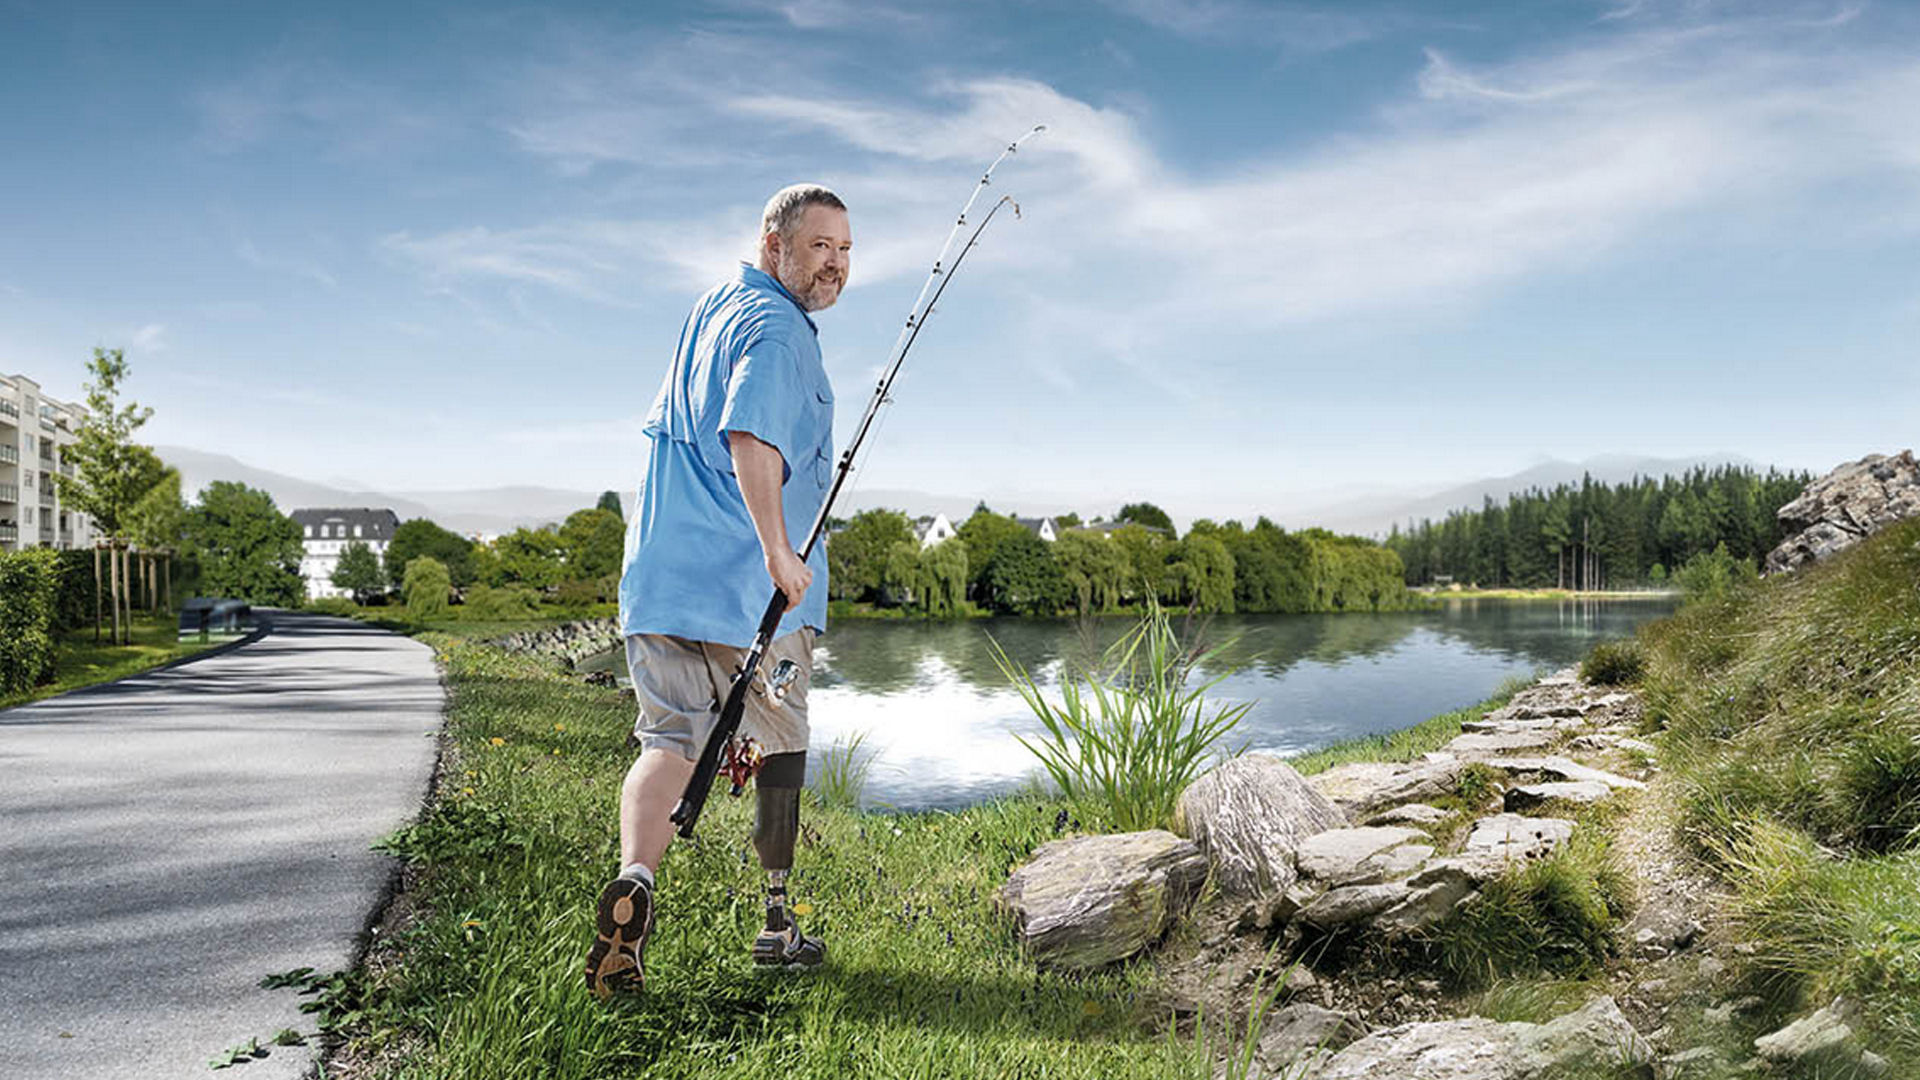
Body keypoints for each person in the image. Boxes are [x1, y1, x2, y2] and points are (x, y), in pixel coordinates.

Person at [583, 184, 849, 1002]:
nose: (834, 267)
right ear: (773, 245)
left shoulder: (714, 308)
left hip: (663, 583)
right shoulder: (775, 330)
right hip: (749, 598)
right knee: (781, 745)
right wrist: (778, 551)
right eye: (817, 248)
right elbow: (750, 435)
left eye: (845, 251)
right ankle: (776, 924)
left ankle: (636, 881)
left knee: (667, 743)